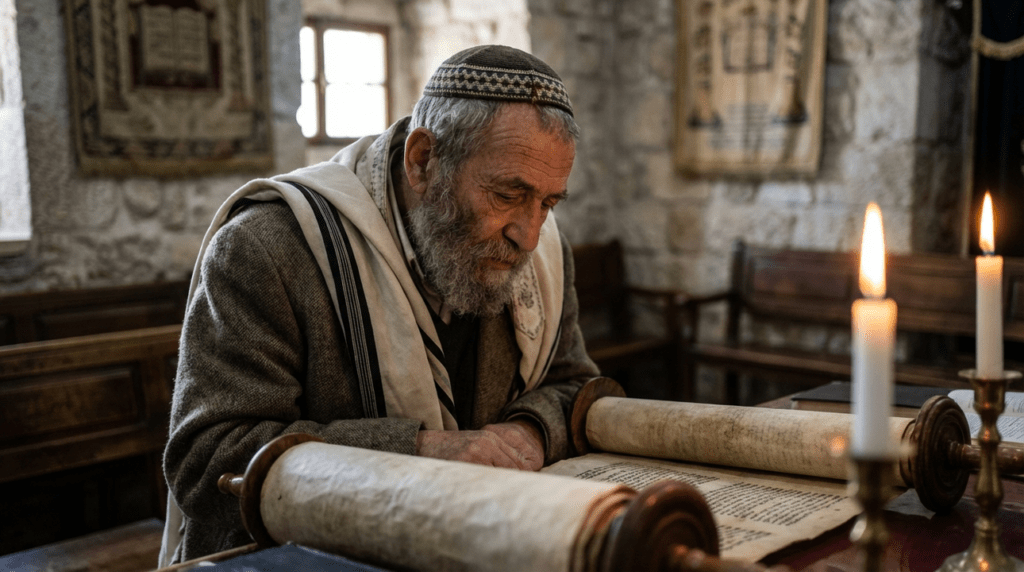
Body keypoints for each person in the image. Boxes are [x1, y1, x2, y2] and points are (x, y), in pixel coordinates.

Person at [159, 45, 600, 565]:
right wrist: (421, 453)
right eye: (507, 194)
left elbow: (572, 384)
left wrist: (525, 431)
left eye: (549, 202)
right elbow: (208, 460)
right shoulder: (269, 248)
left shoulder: (545, 252)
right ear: (423, 161)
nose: (529, 236)